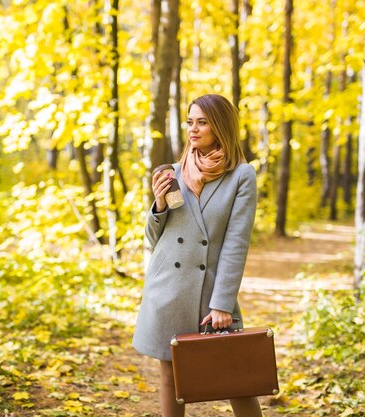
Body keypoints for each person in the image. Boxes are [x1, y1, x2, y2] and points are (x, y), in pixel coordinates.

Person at [132, 94, 262, 417]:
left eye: (202, 122)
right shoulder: (175, 172)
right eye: (190, 121)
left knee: (237, 379)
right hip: (168, 287)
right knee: (169, 377)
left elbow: (236, 242)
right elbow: (152, 237)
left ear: (220, 126)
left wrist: (223, 304)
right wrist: (158, 206)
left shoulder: (241, 176)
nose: (193, 129)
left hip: (211, 291)